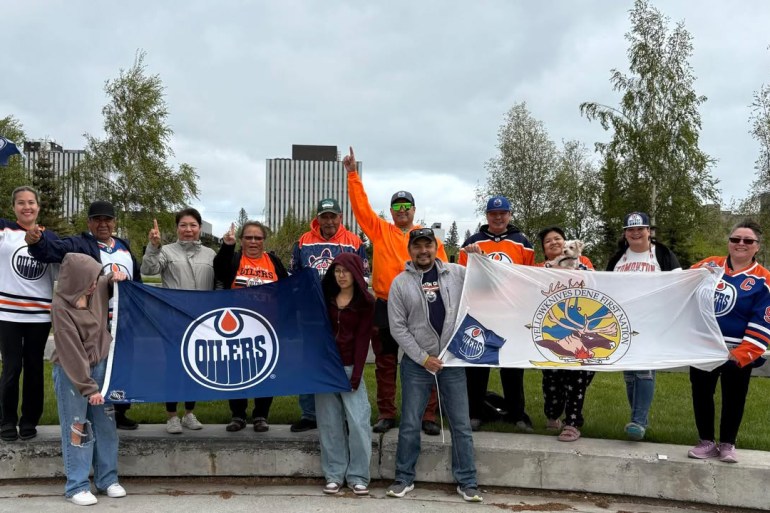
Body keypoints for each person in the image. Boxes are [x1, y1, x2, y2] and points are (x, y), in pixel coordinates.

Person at [345, 147, 443, 436]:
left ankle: (428, 415)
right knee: (385, 363)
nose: (402, 211)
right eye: (397, 208)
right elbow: (361, 208)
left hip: (422, 305)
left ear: (414, 210)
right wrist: (352, 175)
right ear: (391, 212)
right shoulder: (380, 231)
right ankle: (387, 412)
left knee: (427, 360)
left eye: (407, 207)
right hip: (386, 305)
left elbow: (445, 271)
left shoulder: (427, 237)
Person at [25, 199, 141, 430]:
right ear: (89, 222)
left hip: (124, 318)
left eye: (107, 219)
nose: (103, 224)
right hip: (96, 317)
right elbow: (52, 249)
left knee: (123, 365)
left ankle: (120, 411)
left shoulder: (124, 246)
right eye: (97, 219)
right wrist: (36, 242)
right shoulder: (79, 244)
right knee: (98, 365)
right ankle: (90, 408)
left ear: (114, 222)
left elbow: (135, 279)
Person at [385, 227, 482, 502]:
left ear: (435, 247)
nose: (423, 251)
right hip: (418, 364)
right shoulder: (400, 283)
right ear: (410, 251)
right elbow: (398, 328)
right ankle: (403, 478)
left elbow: (485, 280)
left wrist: (479, 256)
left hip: (451, 360)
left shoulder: (456, 273)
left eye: (428, 245)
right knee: (410, 422)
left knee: (460, 424)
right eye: (417, 246)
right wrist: (423, 358)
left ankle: (467, 481)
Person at [688, 219, 770, 463]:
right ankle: (705, 441)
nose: (740, 244)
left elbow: (764, 318)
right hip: (703, 346)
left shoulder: (764, 280)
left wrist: (743, 352)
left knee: (734, 398)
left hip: (738, 350)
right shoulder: (708, 266)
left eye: (748, 241)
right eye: (735, 239)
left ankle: (727, 444)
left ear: (757, 246)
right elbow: (678, 286)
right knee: (701, 394)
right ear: (729, 242)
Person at [51, 253, 128, 506]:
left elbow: (106, 282)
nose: (95, 283)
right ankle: (77, 485)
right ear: (77, 280)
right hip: (73, 373)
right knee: (78, 427)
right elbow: (71, 351)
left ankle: (107, 479)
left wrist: (112, 278)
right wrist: (87, 386)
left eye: (95, 278)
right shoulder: (61, 307)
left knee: (105, 424)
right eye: (90, 279)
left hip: (100, 366)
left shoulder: (96, 290)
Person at [288, 197, 369, 433]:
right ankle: (310, 413)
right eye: (324, 216)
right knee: (309, 361)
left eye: (333, 215)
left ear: (340, 217)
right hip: (312, 314)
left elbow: (363, 278)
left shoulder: (354, 242)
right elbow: (295, 275)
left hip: (343, 311)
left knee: (344, 361)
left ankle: (344, 414)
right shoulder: (303, 241)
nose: (329, 220)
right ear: (318, 218)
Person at [458, 196, 535, 432]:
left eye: (503, 213)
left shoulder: (522, 242)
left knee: (512, 366)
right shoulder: (472, 241)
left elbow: (529, 276)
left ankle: (517, 414)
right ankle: (475, 412)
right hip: (481, 312)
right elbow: (463, 277)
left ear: (510, 215)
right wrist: (473, 257)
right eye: (493, 214)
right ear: (487, 216)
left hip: (510, 313)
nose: (498, 217)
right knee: (477, 364)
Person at [606, 212, 680, 441]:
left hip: (652, 322)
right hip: (623, 322)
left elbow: (679, 282)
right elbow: (606, 286)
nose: (635, 233)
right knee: (629, 373)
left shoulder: (662, 253)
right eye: (630, 230)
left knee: (644, 370)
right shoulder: (619, 257)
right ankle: (638, 419)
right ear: (625, 233)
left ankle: (638, 422)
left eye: (640, 229)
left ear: (649, 231)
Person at [141, 208, 215, 434]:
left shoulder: (211, 254)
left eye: (193, 225)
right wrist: (153, 247)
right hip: (172, 320)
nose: (188, 230)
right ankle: (172, 416)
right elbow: (148, 269)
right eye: (183, 225)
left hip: (201, 321)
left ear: (199, 228)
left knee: (196, 367)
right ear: (177, 228)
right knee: (173, 367)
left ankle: (189, 413)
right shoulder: (165, 251)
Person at [213, 220, 288, 432]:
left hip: (267, 328)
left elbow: (286, 289)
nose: (253, 241)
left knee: (265, 372)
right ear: (241, 240)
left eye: (258, 238)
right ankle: (237, 415)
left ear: (264, 240)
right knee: (237, 372)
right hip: (237, 329)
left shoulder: (272, 260)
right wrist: (227, 246)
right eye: (249, 237)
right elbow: (219, 269)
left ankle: (261, 415)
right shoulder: (235, 258)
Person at [0, 186, 59, 442]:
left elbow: (59, 271)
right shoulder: (4, 230)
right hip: (8, 314)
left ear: (38, 206)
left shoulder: (50, 236)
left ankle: (29, 421)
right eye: (21, 203)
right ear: (13, 207)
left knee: (35, 368)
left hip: (39, 315)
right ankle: (6, 420)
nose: (27, 207)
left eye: (31, 202)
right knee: (11, 367)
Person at [317, 252, 373, 496]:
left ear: (356, 273)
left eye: (346, 271)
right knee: (329, 423)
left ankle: (359, 475)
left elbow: (363, 340)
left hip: (351, 367)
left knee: (359, 422)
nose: (341, 275)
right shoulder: (325, 298)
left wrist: (357, 374)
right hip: (326, 369)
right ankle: (334, 474)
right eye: (337, 271)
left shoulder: (366, 303)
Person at [536, 226, 595, 442]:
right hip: (551, 328)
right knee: (551, 377)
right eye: (548, 240)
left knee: (578, 375)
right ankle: (552, 415)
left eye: (558, 239)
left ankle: (572, 422)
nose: (554, 243)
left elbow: (597, 284)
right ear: (544, 248)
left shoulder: (583, 264)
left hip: (580, 328)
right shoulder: (538, 269)